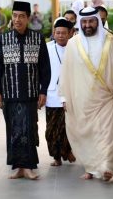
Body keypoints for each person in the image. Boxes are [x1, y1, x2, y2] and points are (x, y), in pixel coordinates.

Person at [59, 7, 113, 181]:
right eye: (84, 22)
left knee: (109, 134)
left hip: (106, 97)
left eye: (91, 21)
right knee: (88, 135)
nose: (87, 25)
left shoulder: (109, 40)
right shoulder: (73, 44)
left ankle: (107, 166)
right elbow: (66, 73)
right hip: (82, 99)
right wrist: (64, 97)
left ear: (97, 21)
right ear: (79, 23)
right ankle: (91, 168)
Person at [0, 1, 51, 180]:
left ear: (28, 18)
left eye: (21, 16)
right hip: (10, 94)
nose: (17, 19)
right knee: (14, 130)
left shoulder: (37, 38)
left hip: (31, 94)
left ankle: (30, 167)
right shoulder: (3, 38)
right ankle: (18, 167)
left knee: (30, 130)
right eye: (15, 16)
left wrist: (43, 90)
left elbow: (45, 67)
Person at [45, 18, 76, 167]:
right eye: (57, 33)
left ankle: (66, 150)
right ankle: (56, 156)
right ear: (53, 33)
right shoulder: (46, 48)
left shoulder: (75, 48)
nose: (60, 36)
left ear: (70, 34)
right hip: (52, 93)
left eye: (64, 33)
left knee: (66, 127)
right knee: (51, 129)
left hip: (70, 93)